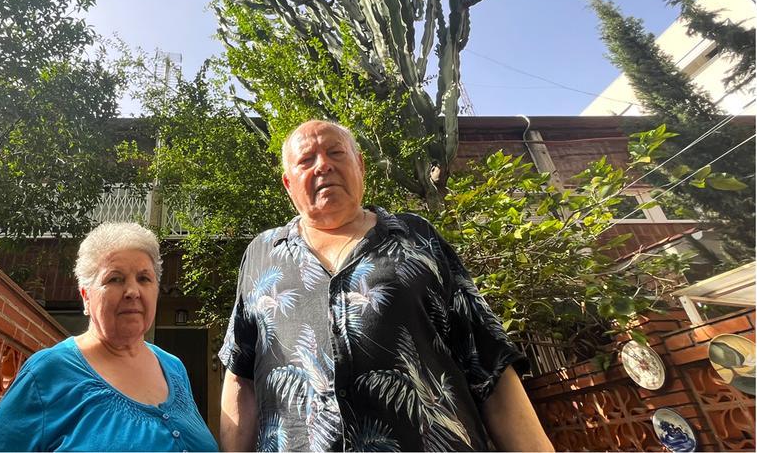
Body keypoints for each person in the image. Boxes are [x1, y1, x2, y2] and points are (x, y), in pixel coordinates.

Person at [218, 120, 554, 452]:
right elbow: (240, 376)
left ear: (360, 165)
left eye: (336, 153)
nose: (324, 165)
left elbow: (489, 362)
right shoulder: (261, 255)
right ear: (288, 184)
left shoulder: (416, 237)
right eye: (306, 160)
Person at [0, 222, 218, 452]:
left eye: (144, 278)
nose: (133, 291)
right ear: (86, 296)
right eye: (115, 279)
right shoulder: (47, 373)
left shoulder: (173, 367)